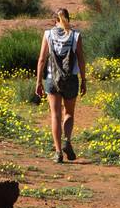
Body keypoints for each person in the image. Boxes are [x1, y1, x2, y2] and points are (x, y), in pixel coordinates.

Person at [35, 8, 87, 162]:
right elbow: (81, 60)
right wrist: (84, 80)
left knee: (55, 115)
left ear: (54, 21)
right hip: (70, 79)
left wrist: (39, 81)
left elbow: (42, 60)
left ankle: (58, 152)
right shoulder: (75, 36)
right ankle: (67, 141)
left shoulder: (48, 34)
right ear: (68, 19)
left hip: (52, 79)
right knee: (69, 113)